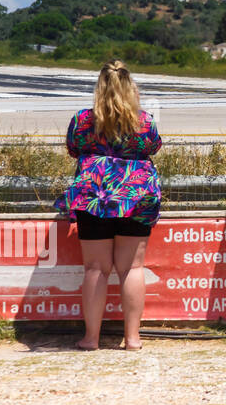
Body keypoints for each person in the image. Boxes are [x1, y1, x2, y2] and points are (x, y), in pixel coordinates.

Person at [54, 60, 162, 351]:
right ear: (131, 88)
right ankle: (133, 338)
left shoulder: (82, 120)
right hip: (136, 196)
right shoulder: (145, 121)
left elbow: (73, 149)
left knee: (95, 269)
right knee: (132, 268)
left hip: (93, 196)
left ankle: (91, 338)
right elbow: (152, 147)